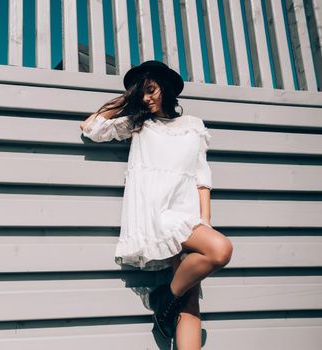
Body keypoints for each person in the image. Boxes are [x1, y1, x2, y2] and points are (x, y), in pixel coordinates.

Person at [79, 60, 233, 348]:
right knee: (221, 250)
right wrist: (127, 100)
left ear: (165, 87)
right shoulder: (139, 125)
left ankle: (167, 301)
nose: (147, 98)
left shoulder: (193, 126)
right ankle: (164, 299)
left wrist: (205, 222)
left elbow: (202, 179)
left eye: (151, 90)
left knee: (189, 303)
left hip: (188, 218)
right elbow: (92, 127)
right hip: (158, 217)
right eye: (142, 94)